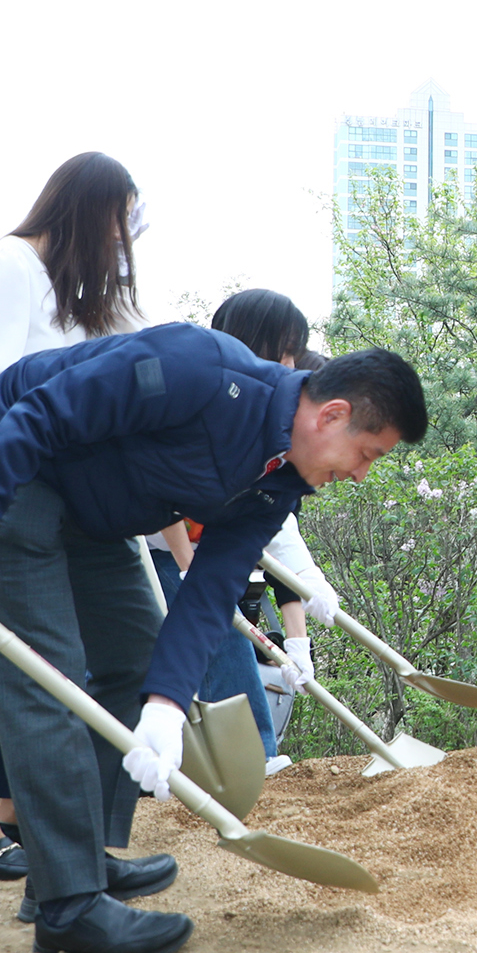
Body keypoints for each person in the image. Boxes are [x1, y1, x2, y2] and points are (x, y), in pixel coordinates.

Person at [0, 328, 426, 953]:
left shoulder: (279, 482)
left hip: (92, 512)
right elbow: (41, 413)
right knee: (52, 676)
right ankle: (68, 905)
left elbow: (208, 595)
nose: (363, 474)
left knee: (139, 659)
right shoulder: (195, 370)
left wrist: (168, 706)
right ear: (332, 415)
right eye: (367, 453)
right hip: (4, 466)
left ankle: (73, 861)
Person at [0, 153, 148, 882]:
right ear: (88, 208)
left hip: (57, 496)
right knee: (20, 662)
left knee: (54, 663)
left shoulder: (70, 292)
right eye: (119, 221)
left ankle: (31, 820)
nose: (123, 240)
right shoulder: (9, 266)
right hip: (0, 482)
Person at [204, 295, 347, 770]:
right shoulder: (217, 400)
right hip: (154, 545)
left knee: (227, 644)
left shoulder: (275, 436)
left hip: (215, 563)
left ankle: (256, 755)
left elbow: (279, 532)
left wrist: (302, 626)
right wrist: (189, 566)